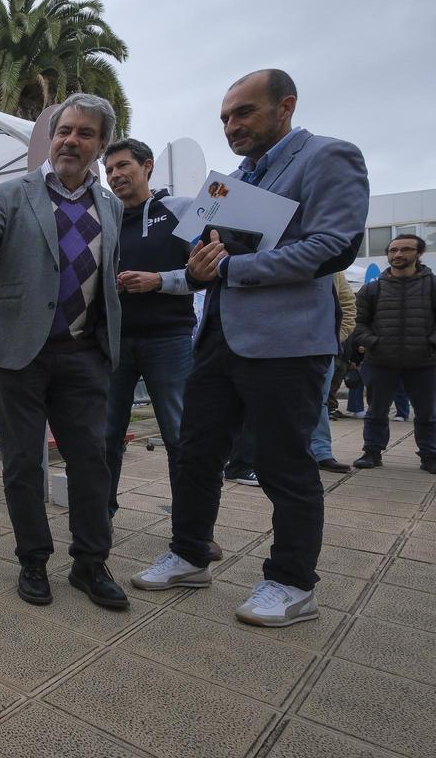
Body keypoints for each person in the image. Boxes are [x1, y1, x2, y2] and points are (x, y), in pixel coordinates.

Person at [131, 69, 369, 628]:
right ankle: (190, 555)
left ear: (286, 106)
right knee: (195, 453)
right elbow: (208, 268)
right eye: (224, 118)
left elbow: (333, 247)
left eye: (244, 112)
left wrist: (230, 269)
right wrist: (186, 273)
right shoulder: (233, 180)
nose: (231, 126)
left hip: (286, 345)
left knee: (284, 463)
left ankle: (291, 583)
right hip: (217, 340)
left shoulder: (328, 156)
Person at [0, 92, 130, 612]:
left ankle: (90, 562)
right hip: (19, 353)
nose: (71, 141)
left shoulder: (112, 206)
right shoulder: (9, 194)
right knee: (23, 462)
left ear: (100, 144)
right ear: (51, 138)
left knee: (92, 462)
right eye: (64, 131)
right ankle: (33, 560)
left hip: (84, 352)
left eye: (84, 133)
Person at [100, 138, 195, 517]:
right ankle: (100, 520)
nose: (115, 175)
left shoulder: (182, 210)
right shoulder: (104, 220)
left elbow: (207, 273)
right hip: (113, 343)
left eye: (123, 165)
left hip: (170, 340)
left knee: (179, 436)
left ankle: (192, 531)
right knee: (105, 436)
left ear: (147, 166)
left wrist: (159, 281)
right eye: (109, 170)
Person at [350, 234, 436, 472]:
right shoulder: (372, 289)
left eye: (405, 249)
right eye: (393, 250)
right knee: (376, 411)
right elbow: (359, 323)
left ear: (419, 253)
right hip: (381, 361)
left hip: (424, 363)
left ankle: (430, 455)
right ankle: (372, 452)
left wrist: (430, 344)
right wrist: (375, 342)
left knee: (428, 413)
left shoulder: (432, 285)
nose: (398, 254)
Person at [309, 271, 356, 473]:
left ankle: (321, 452)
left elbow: (348, 306)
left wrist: (332, 339)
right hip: (280, 347)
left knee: (319, 401)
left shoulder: (333, 268)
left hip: (321, 348)